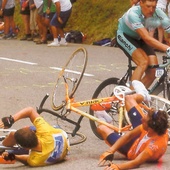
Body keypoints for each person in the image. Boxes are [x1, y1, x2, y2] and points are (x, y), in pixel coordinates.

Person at [97, 80, 169, 170]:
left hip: (130, 150)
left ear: (150, 128)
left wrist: (117, 167)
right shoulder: (155, 126)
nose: (142, 119)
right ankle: (143, 95)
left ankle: (104, 119)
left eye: (144, 120)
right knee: (128, 98)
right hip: (139, 138)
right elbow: (129, 135)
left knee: (101, 128)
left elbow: (136, 162)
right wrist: (110, 151)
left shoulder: (153, 146)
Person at [116, 0, 170, 88]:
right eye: (148, 6)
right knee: (143, 62)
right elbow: (147, 38)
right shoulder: (133, 13)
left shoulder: (158, 13)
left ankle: (138, 95)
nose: (151, 10)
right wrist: (167, 48)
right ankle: (130, 97)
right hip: (125, 36)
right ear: (141, 3)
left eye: (154, 7)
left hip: (140, 38)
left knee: (153, 70)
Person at [0, 107, 70, 166]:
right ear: (35, 133)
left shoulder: (34, 160)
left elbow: (26, 159)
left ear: (26, 148)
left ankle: (1, 147)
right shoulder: (35, 160)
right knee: (24, 131)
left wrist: (13, 155)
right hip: (60, 138)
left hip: (61, 139)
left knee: (13, 135)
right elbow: (30, 111)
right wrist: (11, 119)